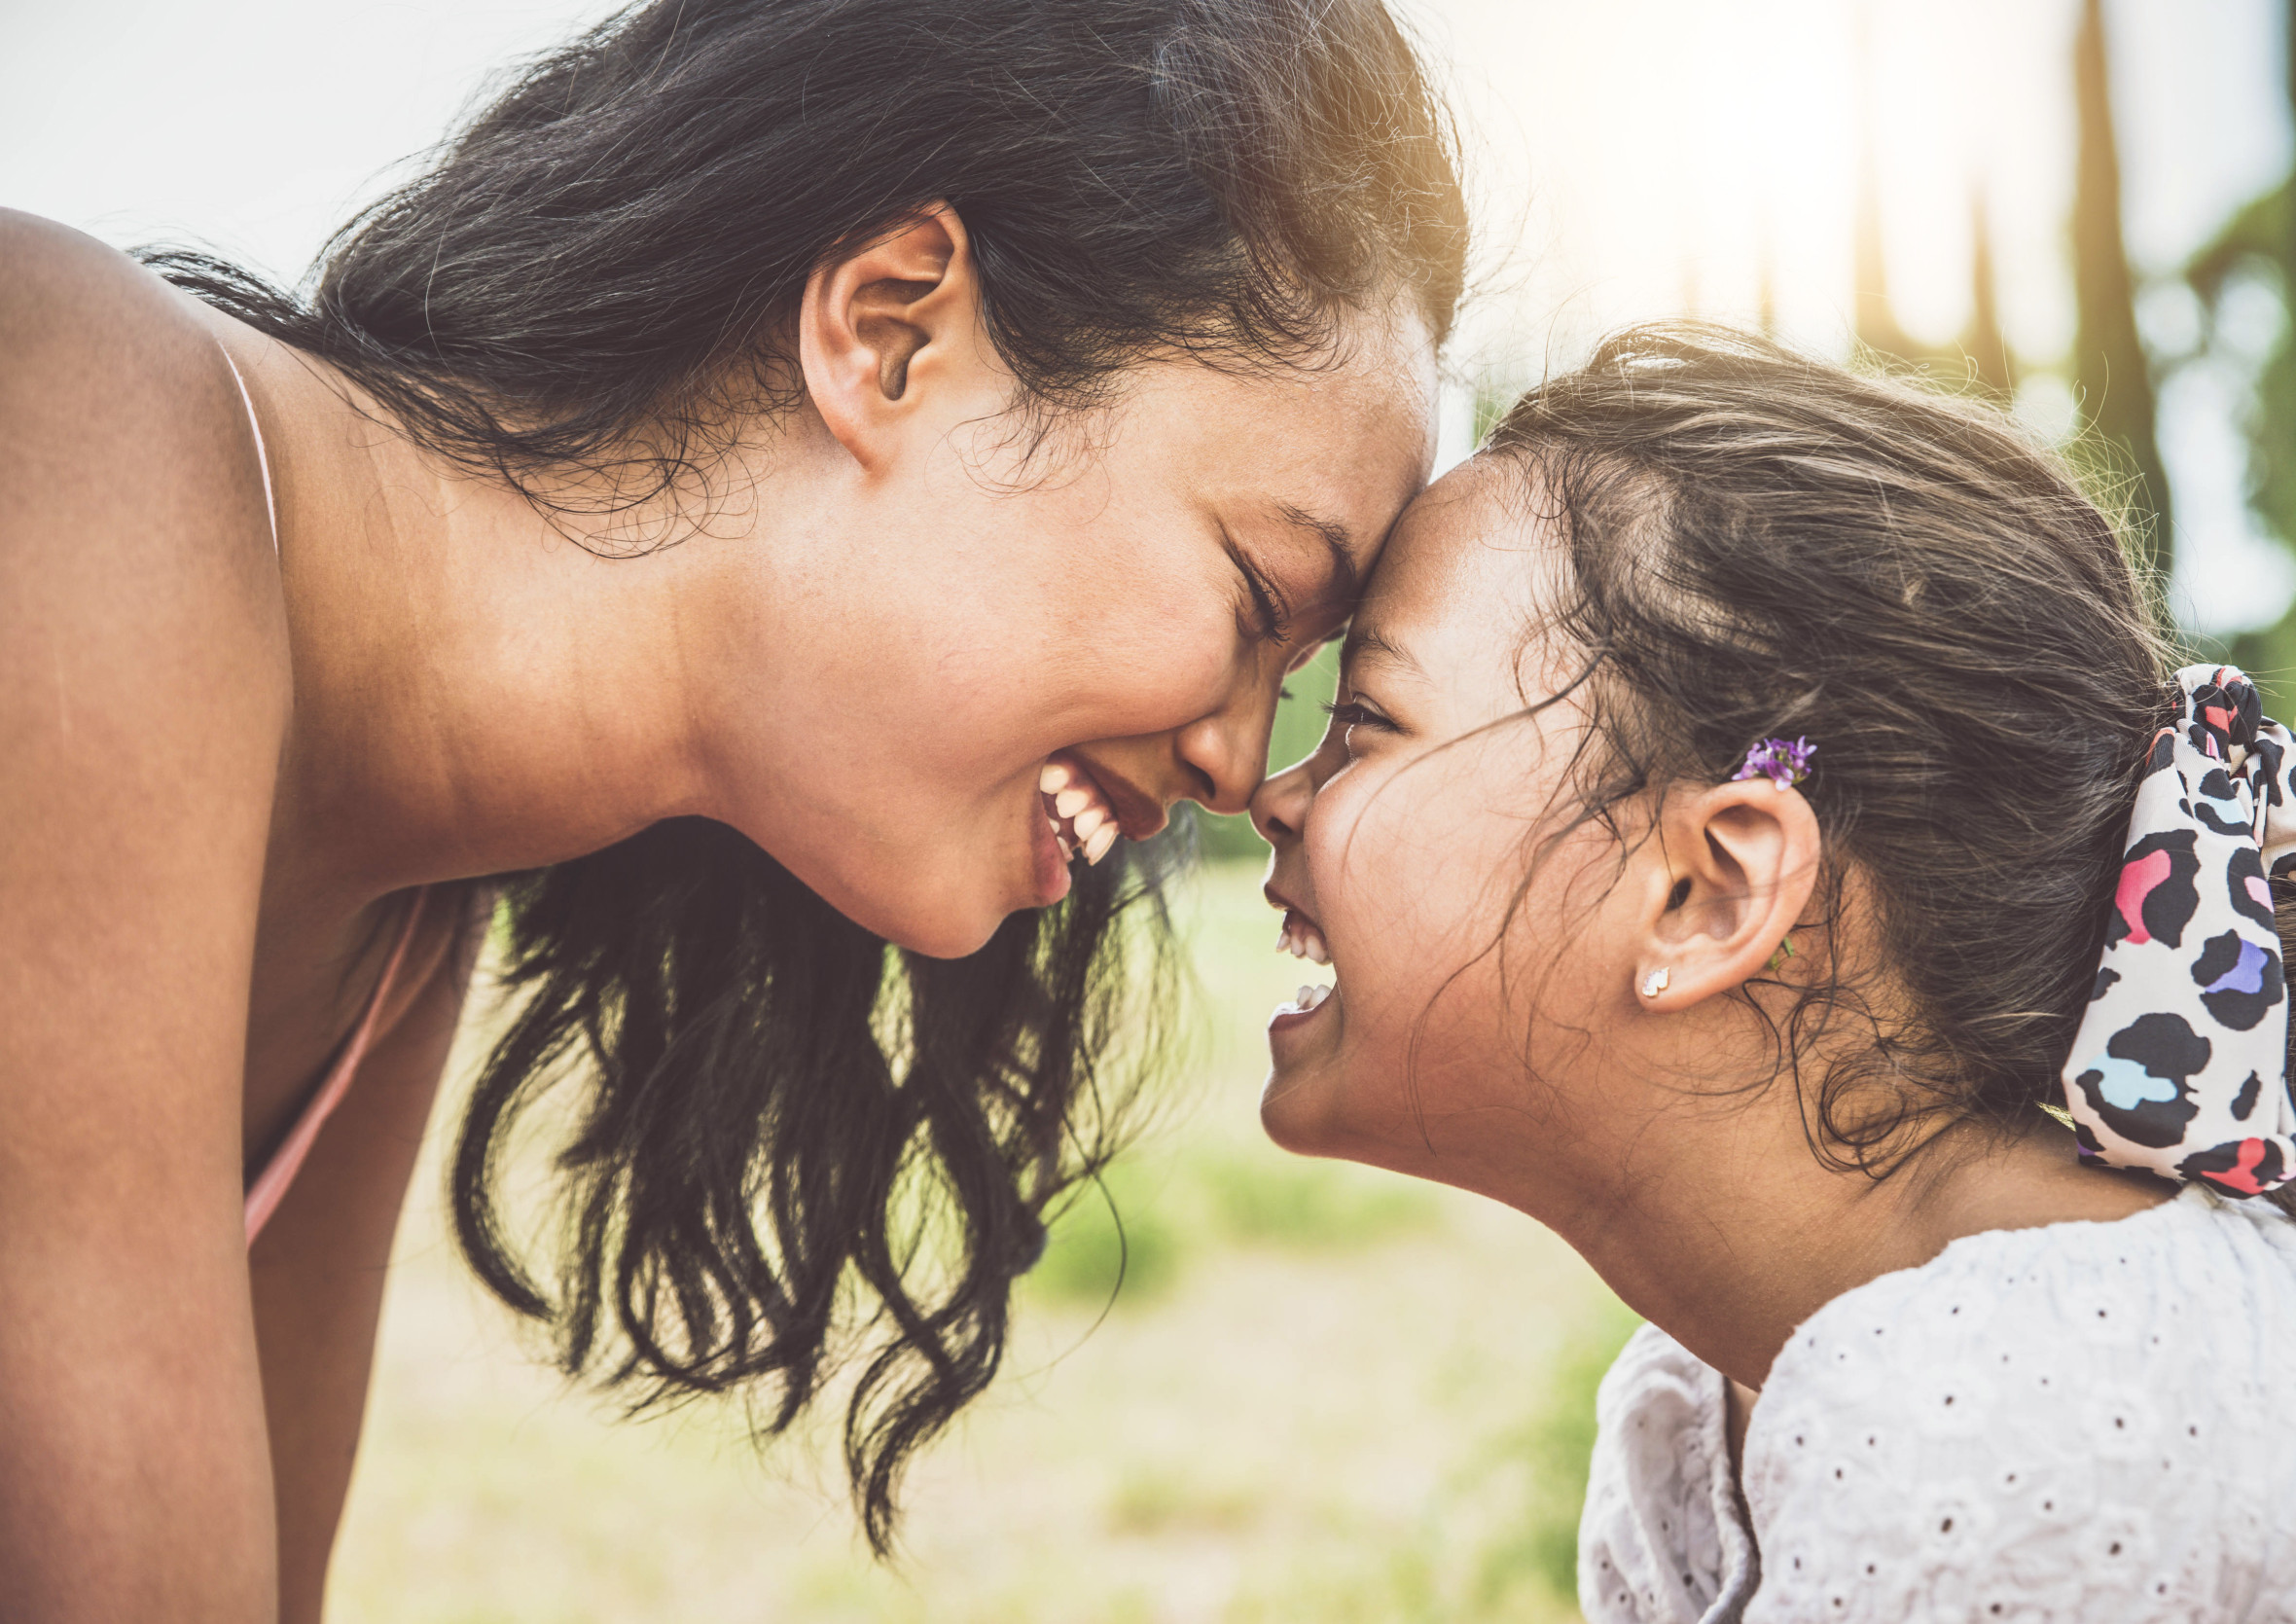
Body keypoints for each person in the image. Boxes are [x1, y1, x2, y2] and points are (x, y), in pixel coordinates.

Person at [0, 0, 1466, 1612]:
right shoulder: (72, 428)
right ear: (891, 330)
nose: (1242, 765)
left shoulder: (396, 924)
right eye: (1260, 595)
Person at [1250, 325, 2296, 1620]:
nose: (1272, 793)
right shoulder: (1710, 1400)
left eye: (1363, 723)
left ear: (1711, 891)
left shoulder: (2010, 1413)